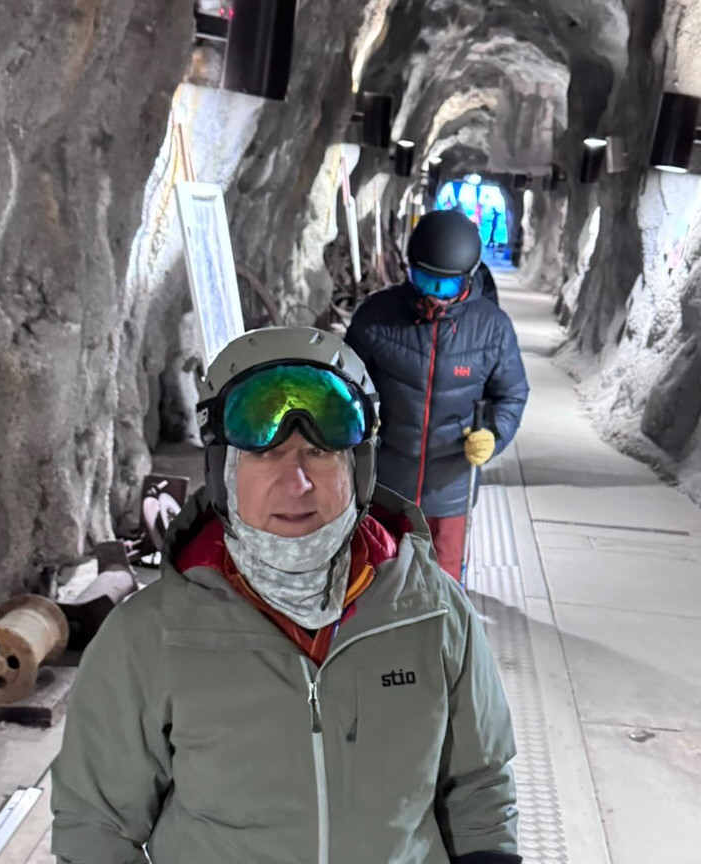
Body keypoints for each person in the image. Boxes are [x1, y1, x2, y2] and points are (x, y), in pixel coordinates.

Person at [50, 327, 521, 864]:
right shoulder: (149, 638)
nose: (295, 483)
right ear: (223, 472)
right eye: (263, 454)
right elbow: (95, 827)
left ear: (358, 467)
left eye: (319, 452)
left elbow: (481, 785)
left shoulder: (433, 614)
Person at [344, 210, 528, 580]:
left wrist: (493, 435)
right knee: (375, 579)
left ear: (468, 278)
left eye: (444, 286)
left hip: (451, 489)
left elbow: (511, 395)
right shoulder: (376, 317)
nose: (434, 297)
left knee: (442, 584)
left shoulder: (491, 329)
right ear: (409, 270)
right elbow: (344, 383)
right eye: (424, 280)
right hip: (384, 483)